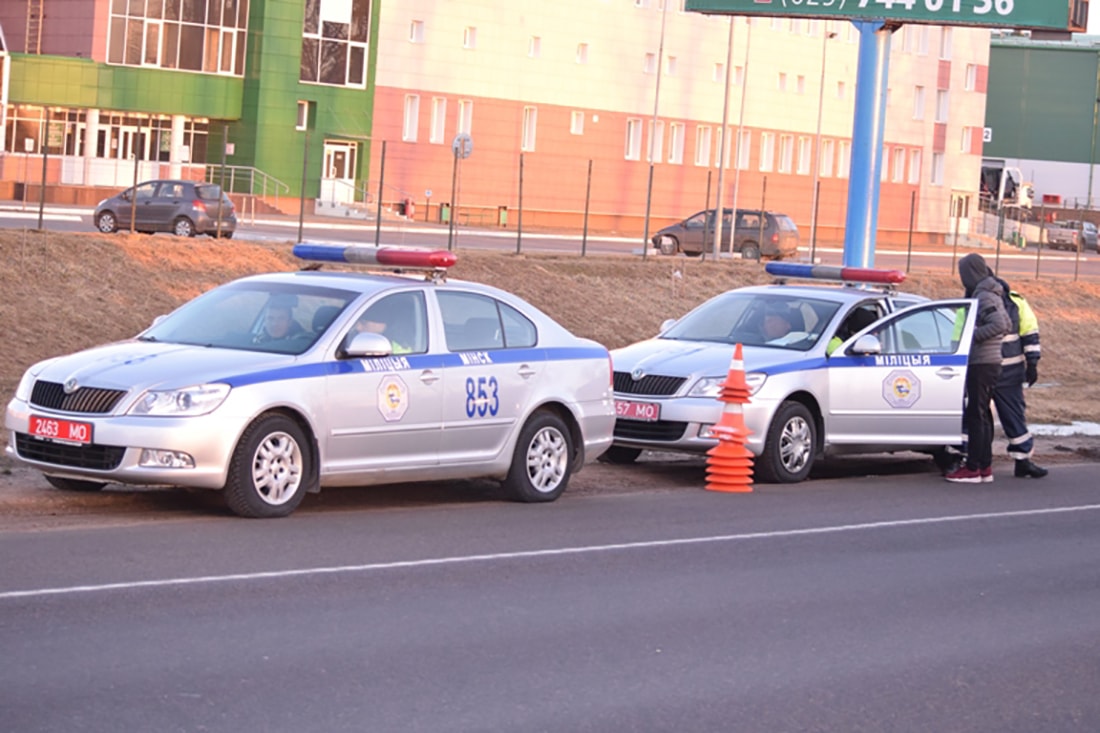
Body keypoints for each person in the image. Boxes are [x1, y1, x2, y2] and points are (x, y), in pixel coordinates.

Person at [946, 253, 1011, 484]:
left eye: (963, 273)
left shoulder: (984, 296)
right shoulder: (984, 293)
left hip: (983, 362)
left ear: (971, 273)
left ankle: (973, 467)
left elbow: (1001, 324)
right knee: (980, 414)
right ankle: (984, 466)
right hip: (985, 362)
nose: (962, 278)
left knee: (977, 415)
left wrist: (970, 338)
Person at [992, 275, 1048, 478]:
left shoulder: (1014, 301)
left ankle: (1021, 460)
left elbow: (1029, 332)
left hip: (993, 371)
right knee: (1011, 415)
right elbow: (1030, 334)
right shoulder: (1016, 301)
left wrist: (1032, 363)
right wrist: (1032, 363)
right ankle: (1021, 460)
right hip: (1007, 371)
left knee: (979, 416)